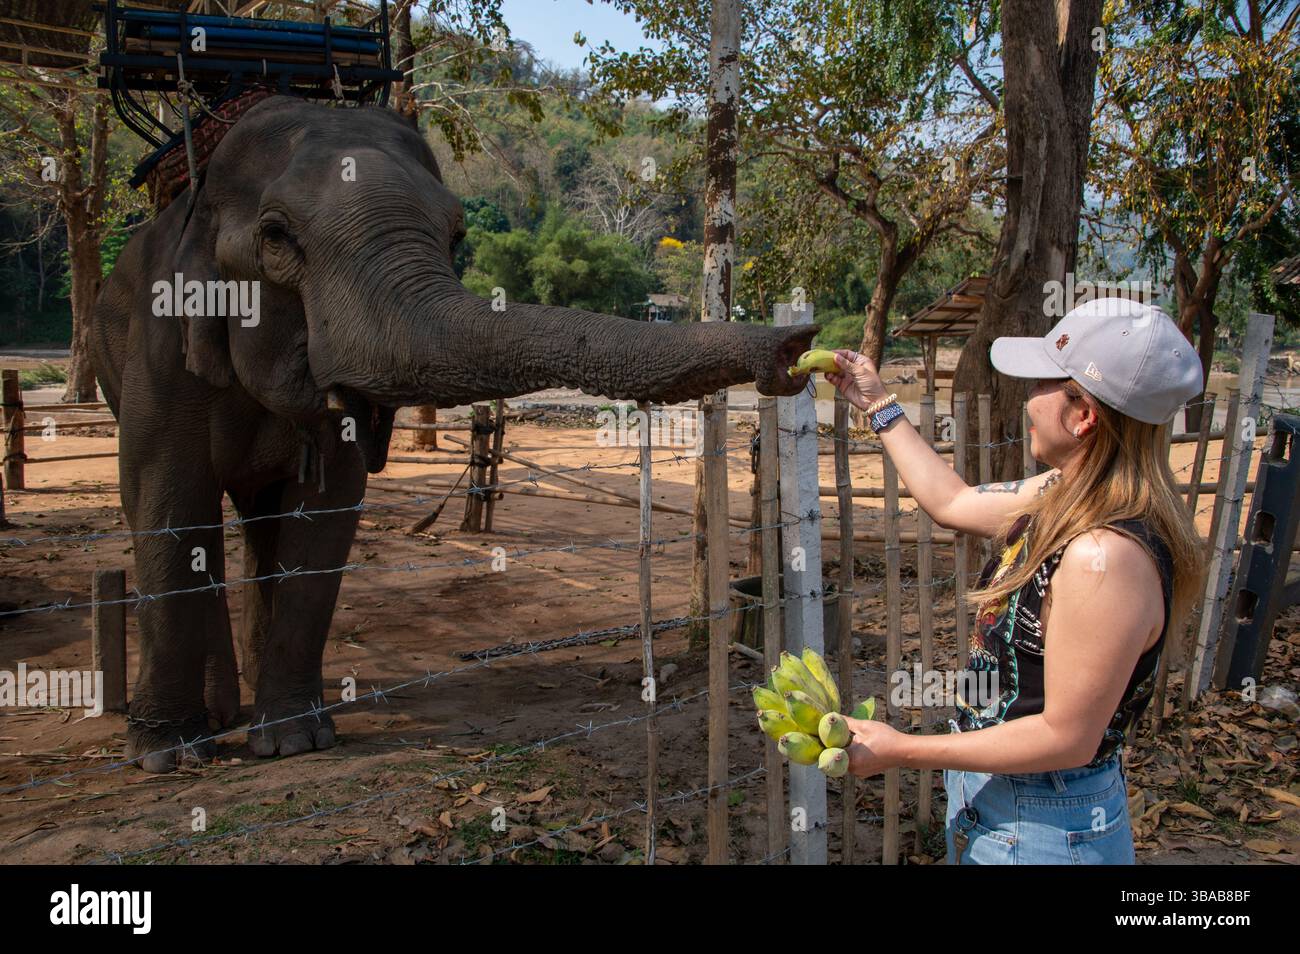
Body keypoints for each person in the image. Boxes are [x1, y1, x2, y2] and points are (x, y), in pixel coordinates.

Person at [825, 298, 1206, 864]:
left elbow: (1066, 737)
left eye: (1042, 384)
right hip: (1008, 807)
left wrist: (901, 750)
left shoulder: (1105, 556)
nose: (1027, 399)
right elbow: (953, 502)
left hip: (1042, 827)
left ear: (1083, 415)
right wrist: (877, 403)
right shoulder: (1071, 495)